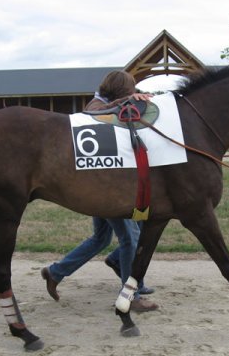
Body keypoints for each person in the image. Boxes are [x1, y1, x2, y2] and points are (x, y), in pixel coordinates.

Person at [41, 70, 158, 313]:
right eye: (129, 91)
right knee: (131, 237)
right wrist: (125, 102)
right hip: (105, 189)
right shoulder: (96, 105)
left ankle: (56, 272)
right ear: (120, 91)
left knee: (102, 238)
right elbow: (92, 116)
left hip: (101, 185)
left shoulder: (103, 102)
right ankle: (131, 295)